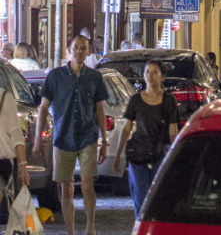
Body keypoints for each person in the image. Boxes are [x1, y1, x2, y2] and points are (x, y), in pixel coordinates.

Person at [35, 35, 109, 235]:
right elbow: (43, 107)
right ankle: (71, 231)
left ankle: (90, 227)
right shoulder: (55, 76)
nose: (79, 51)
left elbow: (99, 109)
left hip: (87, 137)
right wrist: (37, 138)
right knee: (66, 188)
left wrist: (104, 140)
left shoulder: (94, 77)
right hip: (62, 138)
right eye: (75, 47)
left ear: (88, 51)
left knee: (87, 185)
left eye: (83, 48)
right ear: (69, 50)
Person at [114, 59, 179, 217]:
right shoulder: (136, 100)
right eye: (147, 72)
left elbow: (173, 131)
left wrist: (174, 156)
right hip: (139, 155)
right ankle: (141, 225)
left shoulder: (169, 101)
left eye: (155, 72)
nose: (150, 75)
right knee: (140, 198)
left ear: (162, 77)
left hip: (160, 155)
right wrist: (118, 154)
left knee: (158, 198)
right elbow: (127, 128)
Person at [0, 84, 30, 196]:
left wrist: (23, 167)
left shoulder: (4, 97)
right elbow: (16, 136)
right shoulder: (4, 97)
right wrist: (23, 167)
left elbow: (16, 135)